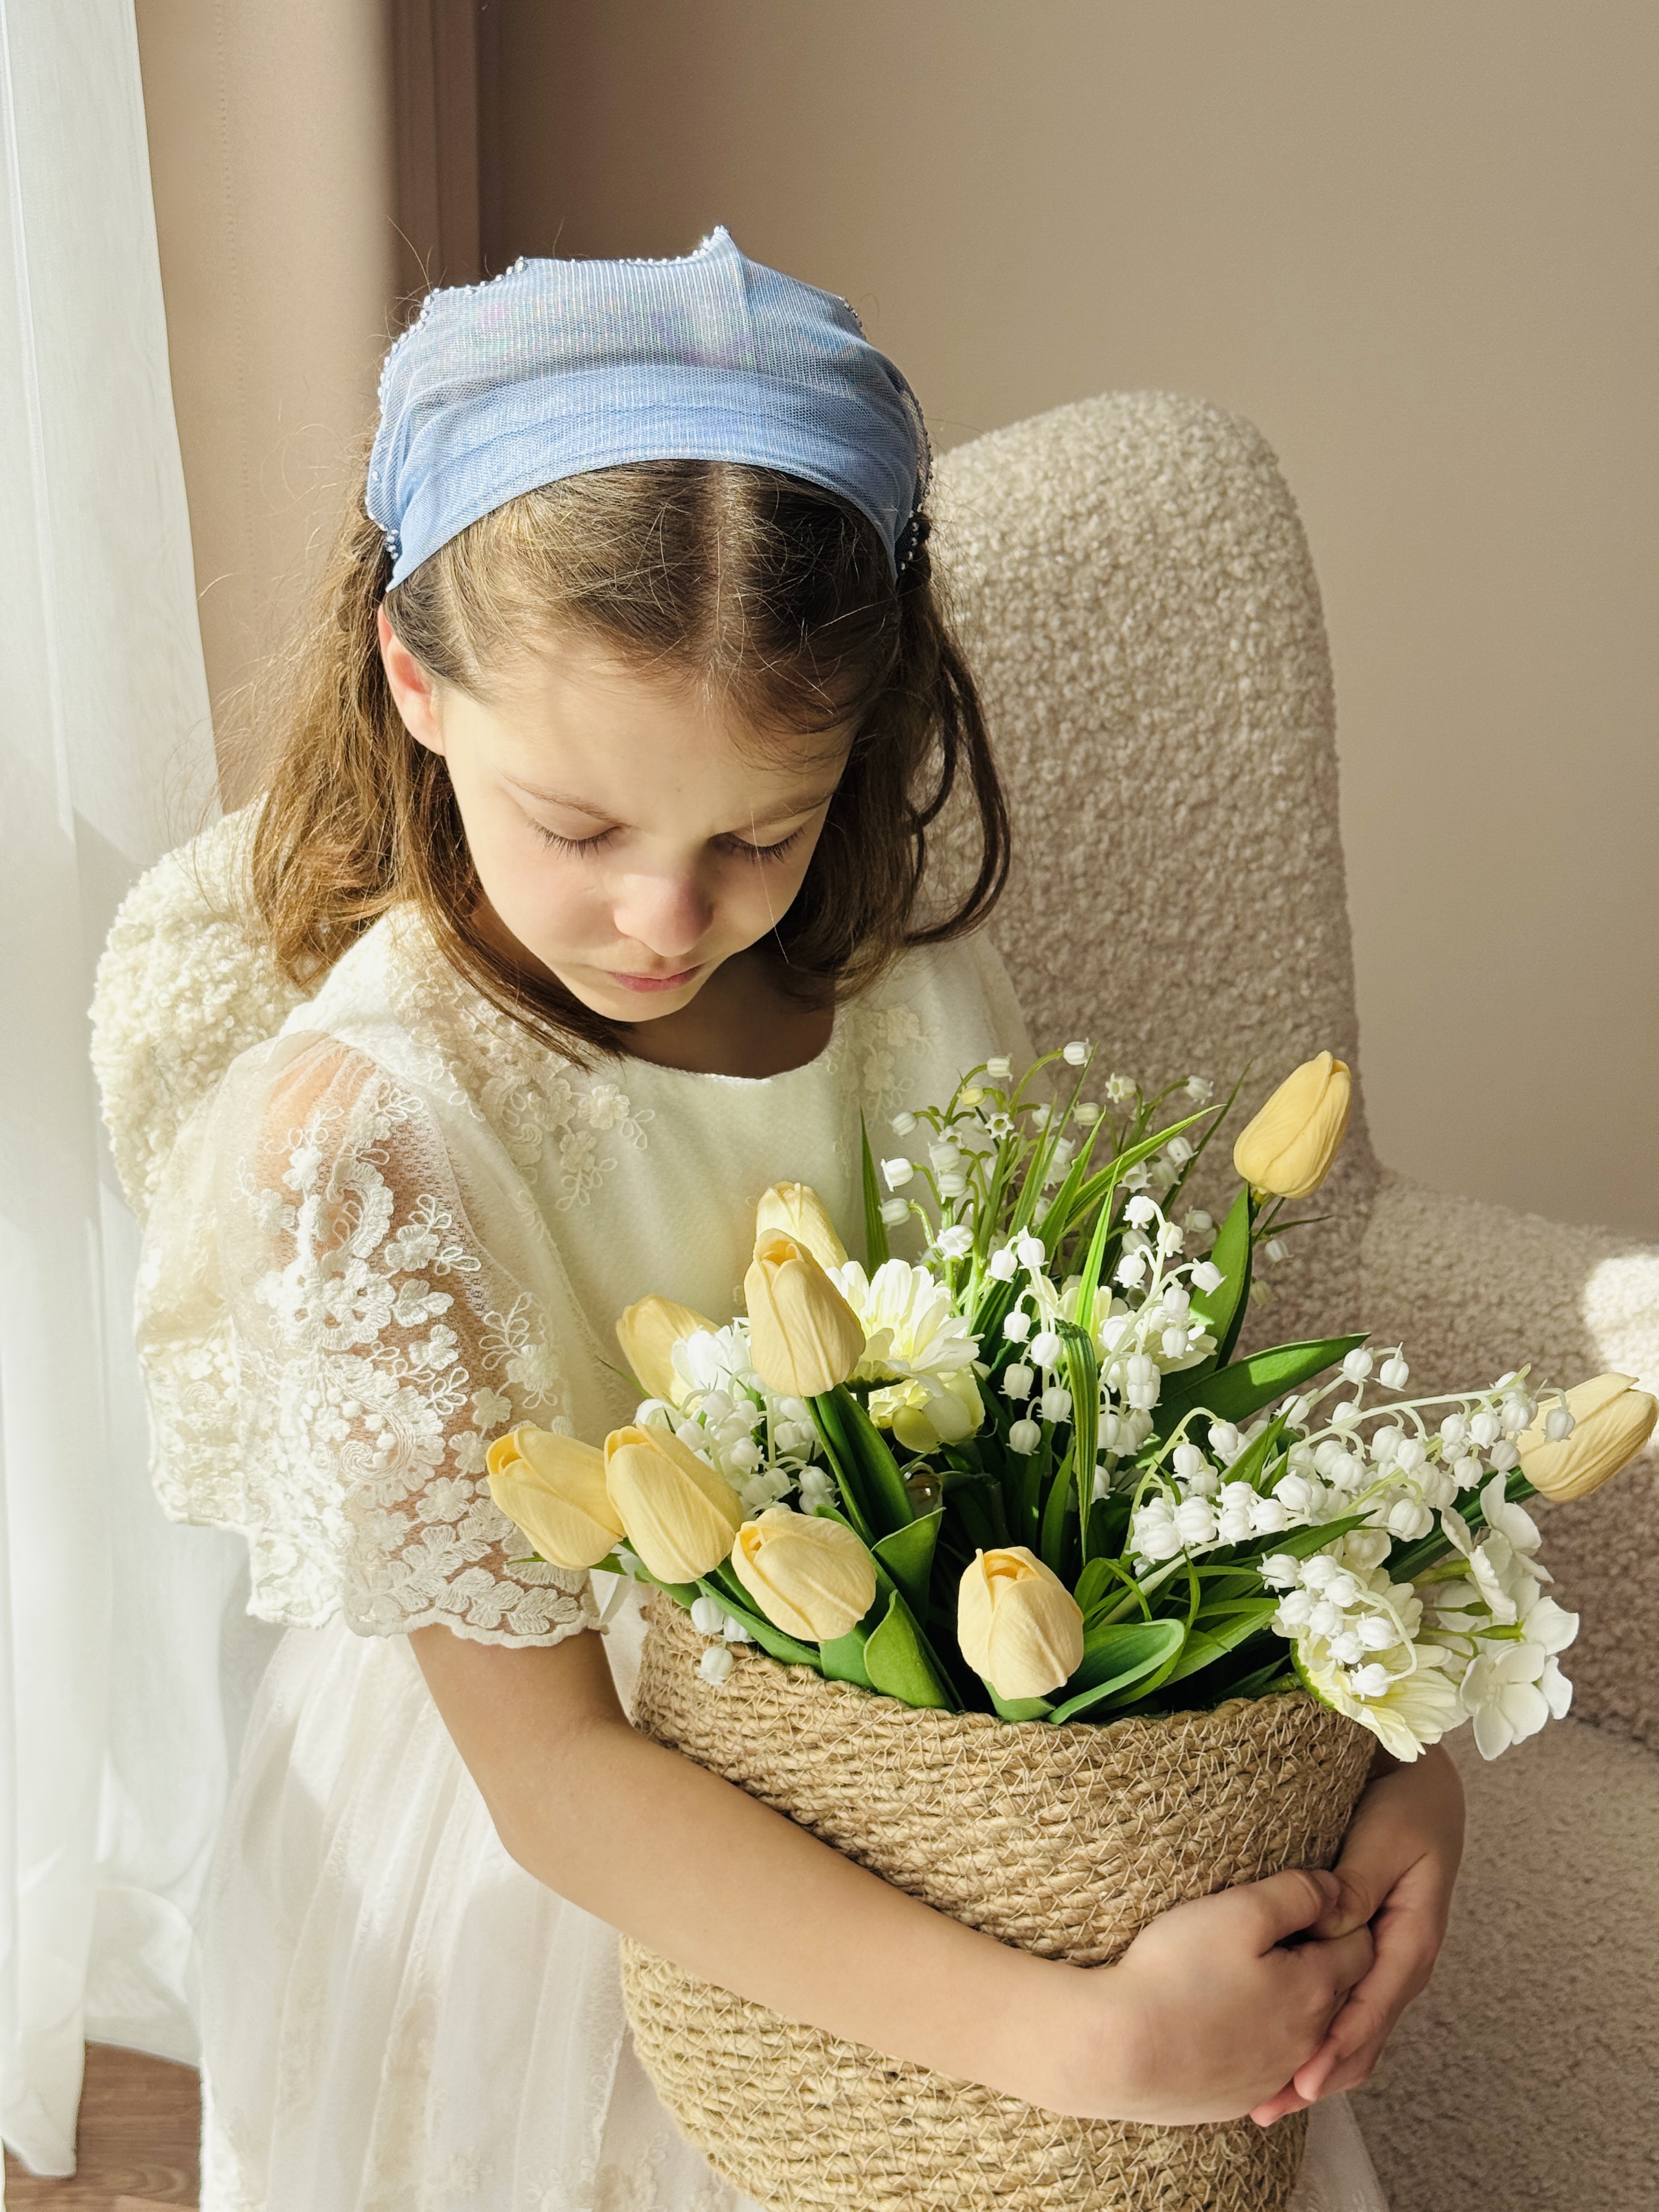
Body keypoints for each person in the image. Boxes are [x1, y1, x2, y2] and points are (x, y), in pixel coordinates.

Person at [102, 230, 1460, 2211]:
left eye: (759, 831)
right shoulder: (365, 1150)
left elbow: (1088, 1466)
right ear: (415, 678)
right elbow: (556, 1778)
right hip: (598, 1889)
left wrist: (1393, 1760)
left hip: (950, 1775)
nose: (671, 916)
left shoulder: (912, 1003)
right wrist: (1080, 2045)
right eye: (580, 827)